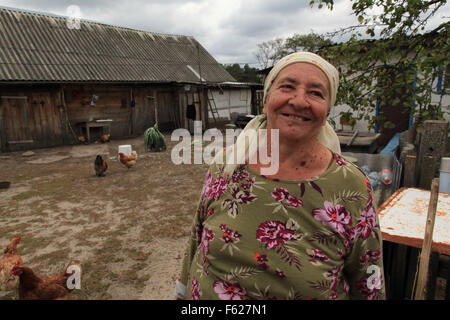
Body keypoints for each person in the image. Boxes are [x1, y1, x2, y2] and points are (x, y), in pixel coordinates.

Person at [174, 52, 385, 300]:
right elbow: (197, 240)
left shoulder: (351, 187)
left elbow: (369, 280)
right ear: (266, 100)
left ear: (327, 110)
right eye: (287, 86)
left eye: (315, 93)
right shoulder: (227, 164)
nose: (299, 101)